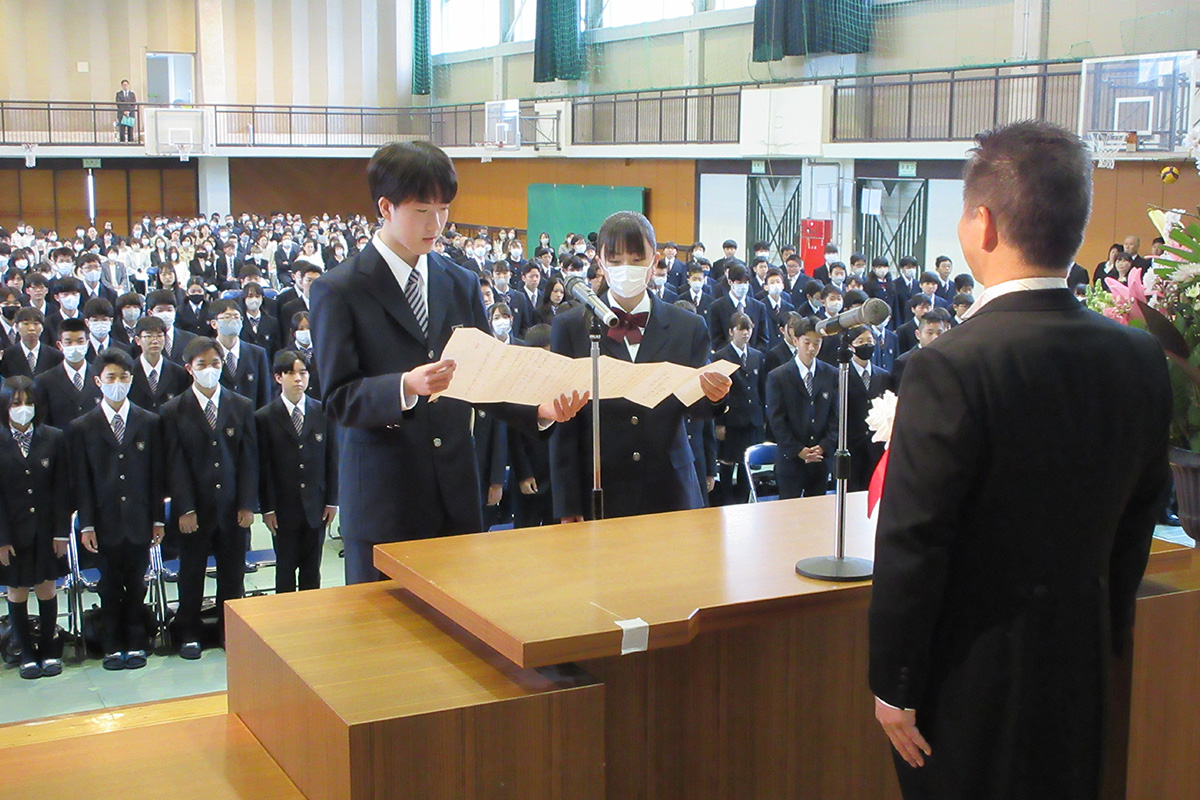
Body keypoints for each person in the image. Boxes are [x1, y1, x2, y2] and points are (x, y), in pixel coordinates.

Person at [868, 120, 1171, 800]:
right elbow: (1141, 514)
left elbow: (915, 541)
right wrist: (1107, 626)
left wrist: (894, 683)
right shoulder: (1136, 357)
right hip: (1081, 662)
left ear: (982, 225)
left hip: (973, 680)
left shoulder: (950, 364)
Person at [310, 142, 584, 584]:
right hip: (386, 499)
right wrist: (404, 385)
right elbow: (338, 398)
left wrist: (537, 410)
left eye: (443, 209)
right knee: (386, 640)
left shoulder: (458, 280)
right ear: (386, 206)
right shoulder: (339, 290)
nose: (436, 224)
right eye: (422, 210)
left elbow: (483, 377)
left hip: (456, 493)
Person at [549, 210, 732, 522]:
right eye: (616, 259)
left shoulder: (688, 326)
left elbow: (698, 411)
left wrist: (717, 396)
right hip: (600, 486)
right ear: (600, 262)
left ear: (653, 260)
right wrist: (568, 503)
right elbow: (563, 423)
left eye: (636, 259)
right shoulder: (571, 327)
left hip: (669, 486)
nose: (626, 269)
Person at [160, 337, 258, 659]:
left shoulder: (240, 405)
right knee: (192, 573)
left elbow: (247, 459)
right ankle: (189, 630)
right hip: (194, 509)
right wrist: (184, 508)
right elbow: (173, 464)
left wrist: (246, 503)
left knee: (233, 574)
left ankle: (228, 631)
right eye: (201, 365)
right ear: (189, 369)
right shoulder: (174, 410)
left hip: (231, 507)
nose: (209, 370)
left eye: (215, 364)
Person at [69, 348, 165, 671]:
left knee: (137, 583)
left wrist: (157, 520)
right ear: (98, 381)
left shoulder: (148, 421)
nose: (118, 383)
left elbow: (155, 476)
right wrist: (87, 525)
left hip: (140, 519)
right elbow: (82, 480)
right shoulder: (83, 426)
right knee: (109, 585)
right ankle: (112, 643)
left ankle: (136, 641)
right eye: (111, 377)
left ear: (131, 379)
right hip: (103, 522)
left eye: (124, 377)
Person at [0, 376, 71, 680]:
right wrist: (1, 540)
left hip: (46, 530)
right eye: (16, 403)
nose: (23, 408)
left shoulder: (53, 438)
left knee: (46, 587)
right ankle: (25, 651)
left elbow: (62, 491)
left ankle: (49, 648)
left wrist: (60, 533)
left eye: (28, 402)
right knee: (17, 591)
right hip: (12, 533)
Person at [256, 350, 337, 593]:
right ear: (278, 377)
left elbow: (332, 459)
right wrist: (267, 508)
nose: (298, 379)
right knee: (285, 570)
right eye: (291, 373)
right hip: (282, 507)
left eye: (303, 372)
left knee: (312, 569)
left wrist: (333, 501)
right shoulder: (264, 417)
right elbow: (263, 467)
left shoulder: (323, 412)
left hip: (317, 504)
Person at [766, 315, 836, 499]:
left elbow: (836, 416)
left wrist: (824, 446)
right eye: (807, 343)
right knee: (789, 515)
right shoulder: (778, 376)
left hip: (820, 459)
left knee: (819, 514)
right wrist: (798, 450)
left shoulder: (831, 374)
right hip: (791, 460)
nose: (812, 348)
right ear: (796, 341)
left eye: (817, 343)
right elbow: (776, 419)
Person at [713, 312, 765, 505]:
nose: (745, 333)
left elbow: (761, 387)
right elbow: (718, 393)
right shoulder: (721, 356)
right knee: (728, 461)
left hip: (753, 418)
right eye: (741, 329)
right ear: (731, 331)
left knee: (746, 464)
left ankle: (744, 501)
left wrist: (763, 417)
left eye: (748, 329)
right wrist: (719, 423)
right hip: (731, 420)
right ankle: (727, 501)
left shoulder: (757, 356)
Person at [843, 326, 889, 492]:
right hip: (852, 446)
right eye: (860, 341)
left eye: (869, 341)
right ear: (850, 346)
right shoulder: (841, 374)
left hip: (876, 446)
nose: (866, 345)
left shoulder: (883, 376)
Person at [34, 318, 101, 428]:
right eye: (68, 342)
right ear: (60, 345)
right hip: (61, 442)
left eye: (80, 341)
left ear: (88, 344)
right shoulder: (44, 381)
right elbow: (44, 423)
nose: (74, 346)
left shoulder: (100, 375)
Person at [129, 315, 189, 413]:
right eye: (148, 336)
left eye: (159, 336)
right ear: (137, 340)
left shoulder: (179, 373)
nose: (155, 341)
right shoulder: (129, 371)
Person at [2, 308, 63, 379]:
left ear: (42, 327)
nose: (31, 328)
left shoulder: (55, 356)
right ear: (16, 327)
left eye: (36, 324)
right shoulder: (7, 355)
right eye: (26, 324)